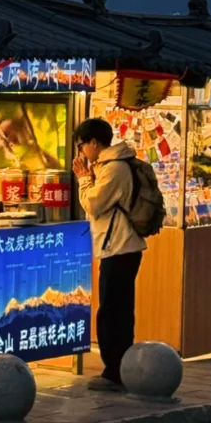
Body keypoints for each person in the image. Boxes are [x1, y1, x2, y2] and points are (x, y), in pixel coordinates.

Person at [73, 117, 146, 390]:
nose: (81, 153)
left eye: (82, 146)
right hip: (119, 246)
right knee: (119, 309)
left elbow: (93, 204)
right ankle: (120, 367)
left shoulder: (114, 168)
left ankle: (114, 371)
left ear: (94, 142)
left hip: (119, 247)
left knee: (112, 311)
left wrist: (83, 180)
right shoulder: (110, 166)